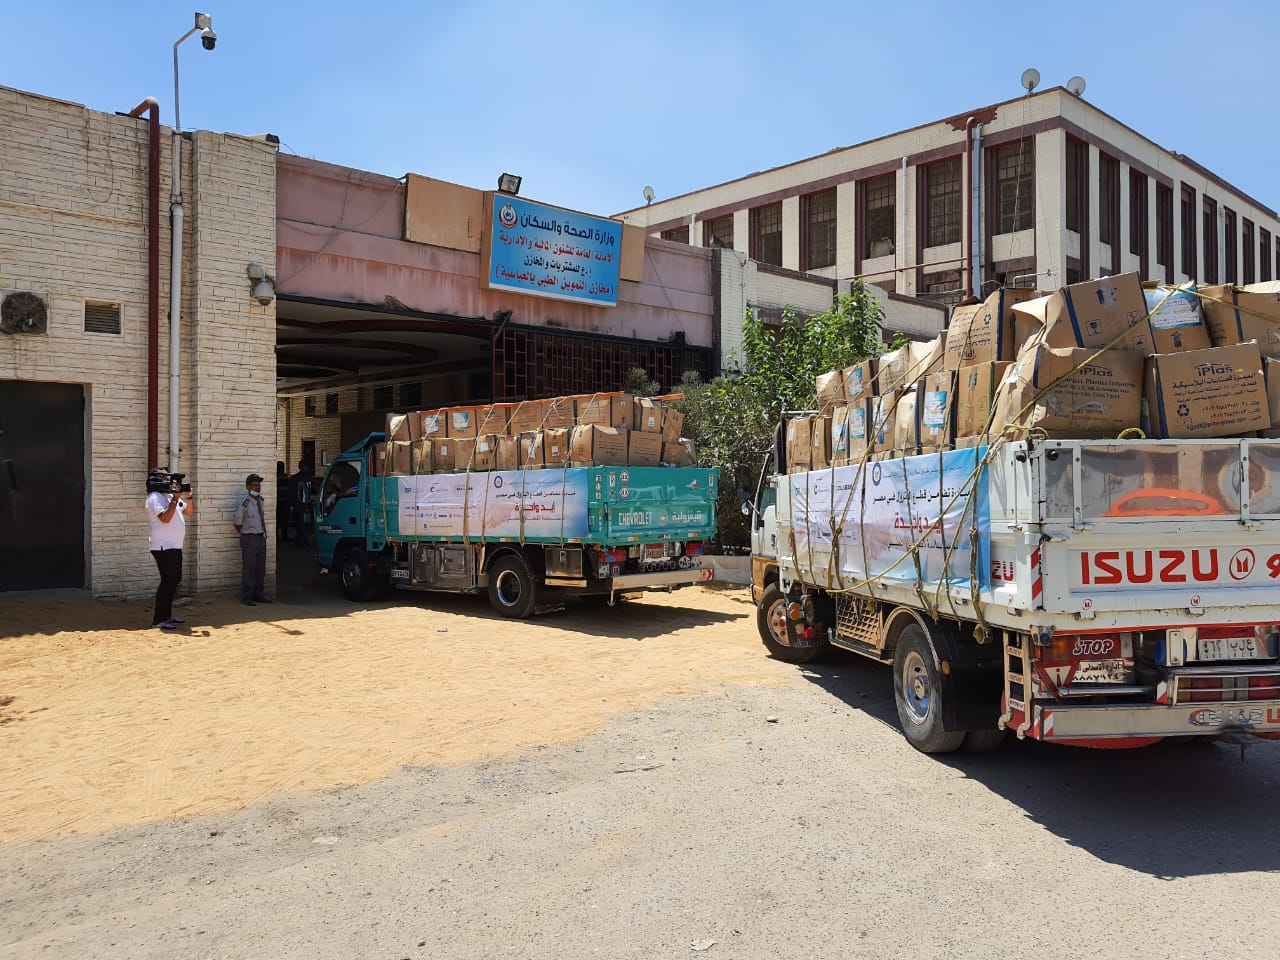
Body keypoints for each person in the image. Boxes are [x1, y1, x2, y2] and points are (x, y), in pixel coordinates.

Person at [145, 468, 194, 630]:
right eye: (164, 476)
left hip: (174, 545)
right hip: (163, 546)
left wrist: (188, 497)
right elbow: (164, 518)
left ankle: (167, 614)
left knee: (175, 579)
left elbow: (189, 511)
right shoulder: (155, 497)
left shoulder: (169, 496)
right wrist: (175, 500)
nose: (169, 480)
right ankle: (158, 619)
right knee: (168, 581)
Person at [232, 473, 271, 606]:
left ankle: (258, 594)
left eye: (259, 485)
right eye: (255, 485)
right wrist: (246, 534)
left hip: (261, 537)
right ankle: (247, 596)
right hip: (249, 538)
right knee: (249, 569)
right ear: (248, 487)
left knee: (260, 569)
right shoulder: (245, 503)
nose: (258, 487)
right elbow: (237, 522)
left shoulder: (261, 500)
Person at [290, 460, 315, 548]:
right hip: (301, 504)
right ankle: (302, 541)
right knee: (302, 523)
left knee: (303, 523)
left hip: (304, 504)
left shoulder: (306, 478)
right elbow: (292, 493)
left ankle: (300, 540)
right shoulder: (300, 478)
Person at [276, 460, 290, 541]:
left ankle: (284, 535)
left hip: (285, 501)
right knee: (278, 520)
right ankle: (278, 536)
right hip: (279, 501)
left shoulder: (285, 476)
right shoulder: (275, 476)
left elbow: (289, 489)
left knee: (284, 520)